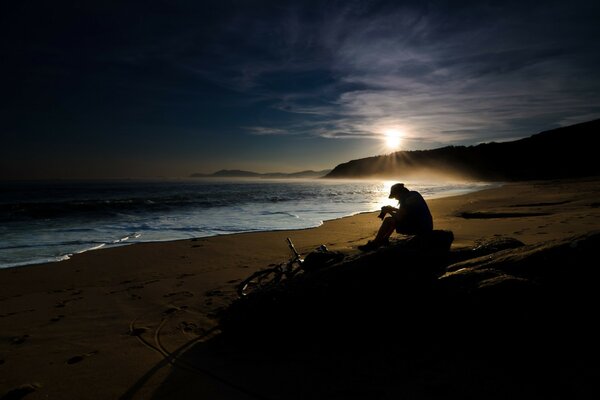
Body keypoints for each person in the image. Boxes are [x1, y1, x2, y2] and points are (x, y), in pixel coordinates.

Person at [358, 183, 433, 251]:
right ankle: (385, 239)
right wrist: (393, 209)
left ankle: (376, 243)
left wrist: (389, 211)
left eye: (395, 196)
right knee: (395, 219)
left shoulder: (405, 199)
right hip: (427, 225)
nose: (395, 198)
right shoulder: (413, 194)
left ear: (399, 193)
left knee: (388, 220)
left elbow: (400, 217)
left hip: (421, 228)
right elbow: (408, 212)